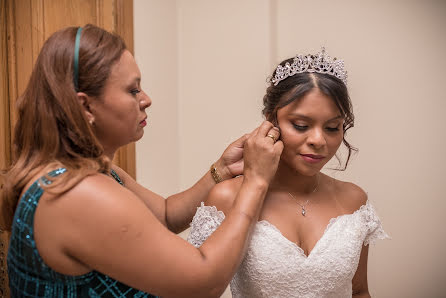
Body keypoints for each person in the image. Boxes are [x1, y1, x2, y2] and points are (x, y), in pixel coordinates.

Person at [0, 24, 284, 297]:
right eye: (132, 90)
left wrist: (220, 170)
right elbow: (203, 283)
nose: (146, 99)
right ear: (86, 105)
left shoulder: (91, 171)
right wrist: (256, 183)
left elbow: (163, 214)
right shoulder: (78, 193)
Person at [187, 48, 390, 297]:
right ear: (271, 121)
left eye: (333, 127)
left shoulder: (354, 201)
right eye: (301, 125)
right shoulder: (225, 198)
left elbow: (359, 292)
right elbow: (195, 292)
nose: (318, 140)